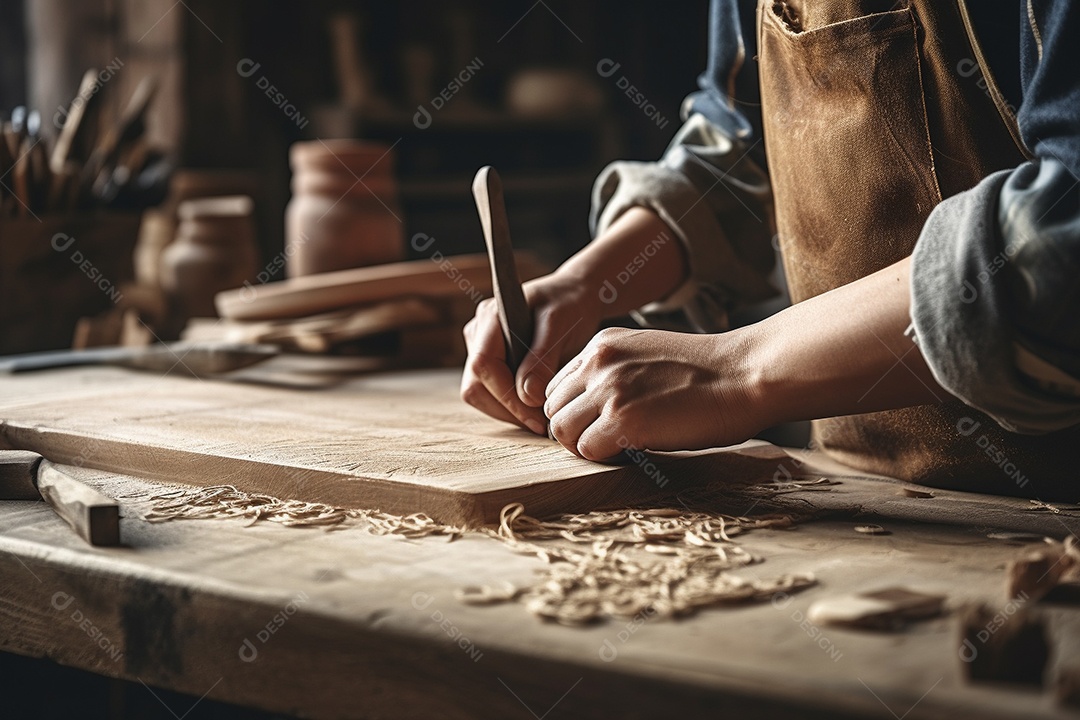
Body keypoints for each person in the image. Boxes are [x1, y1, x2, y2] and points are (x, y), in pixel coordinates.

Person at [461, 0, 1080, 498]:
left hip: (1056, 508)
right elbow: (734, 156)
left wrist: (737, 369)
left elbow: (1060, 241)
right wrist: (587, 284)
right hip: (866, 495)